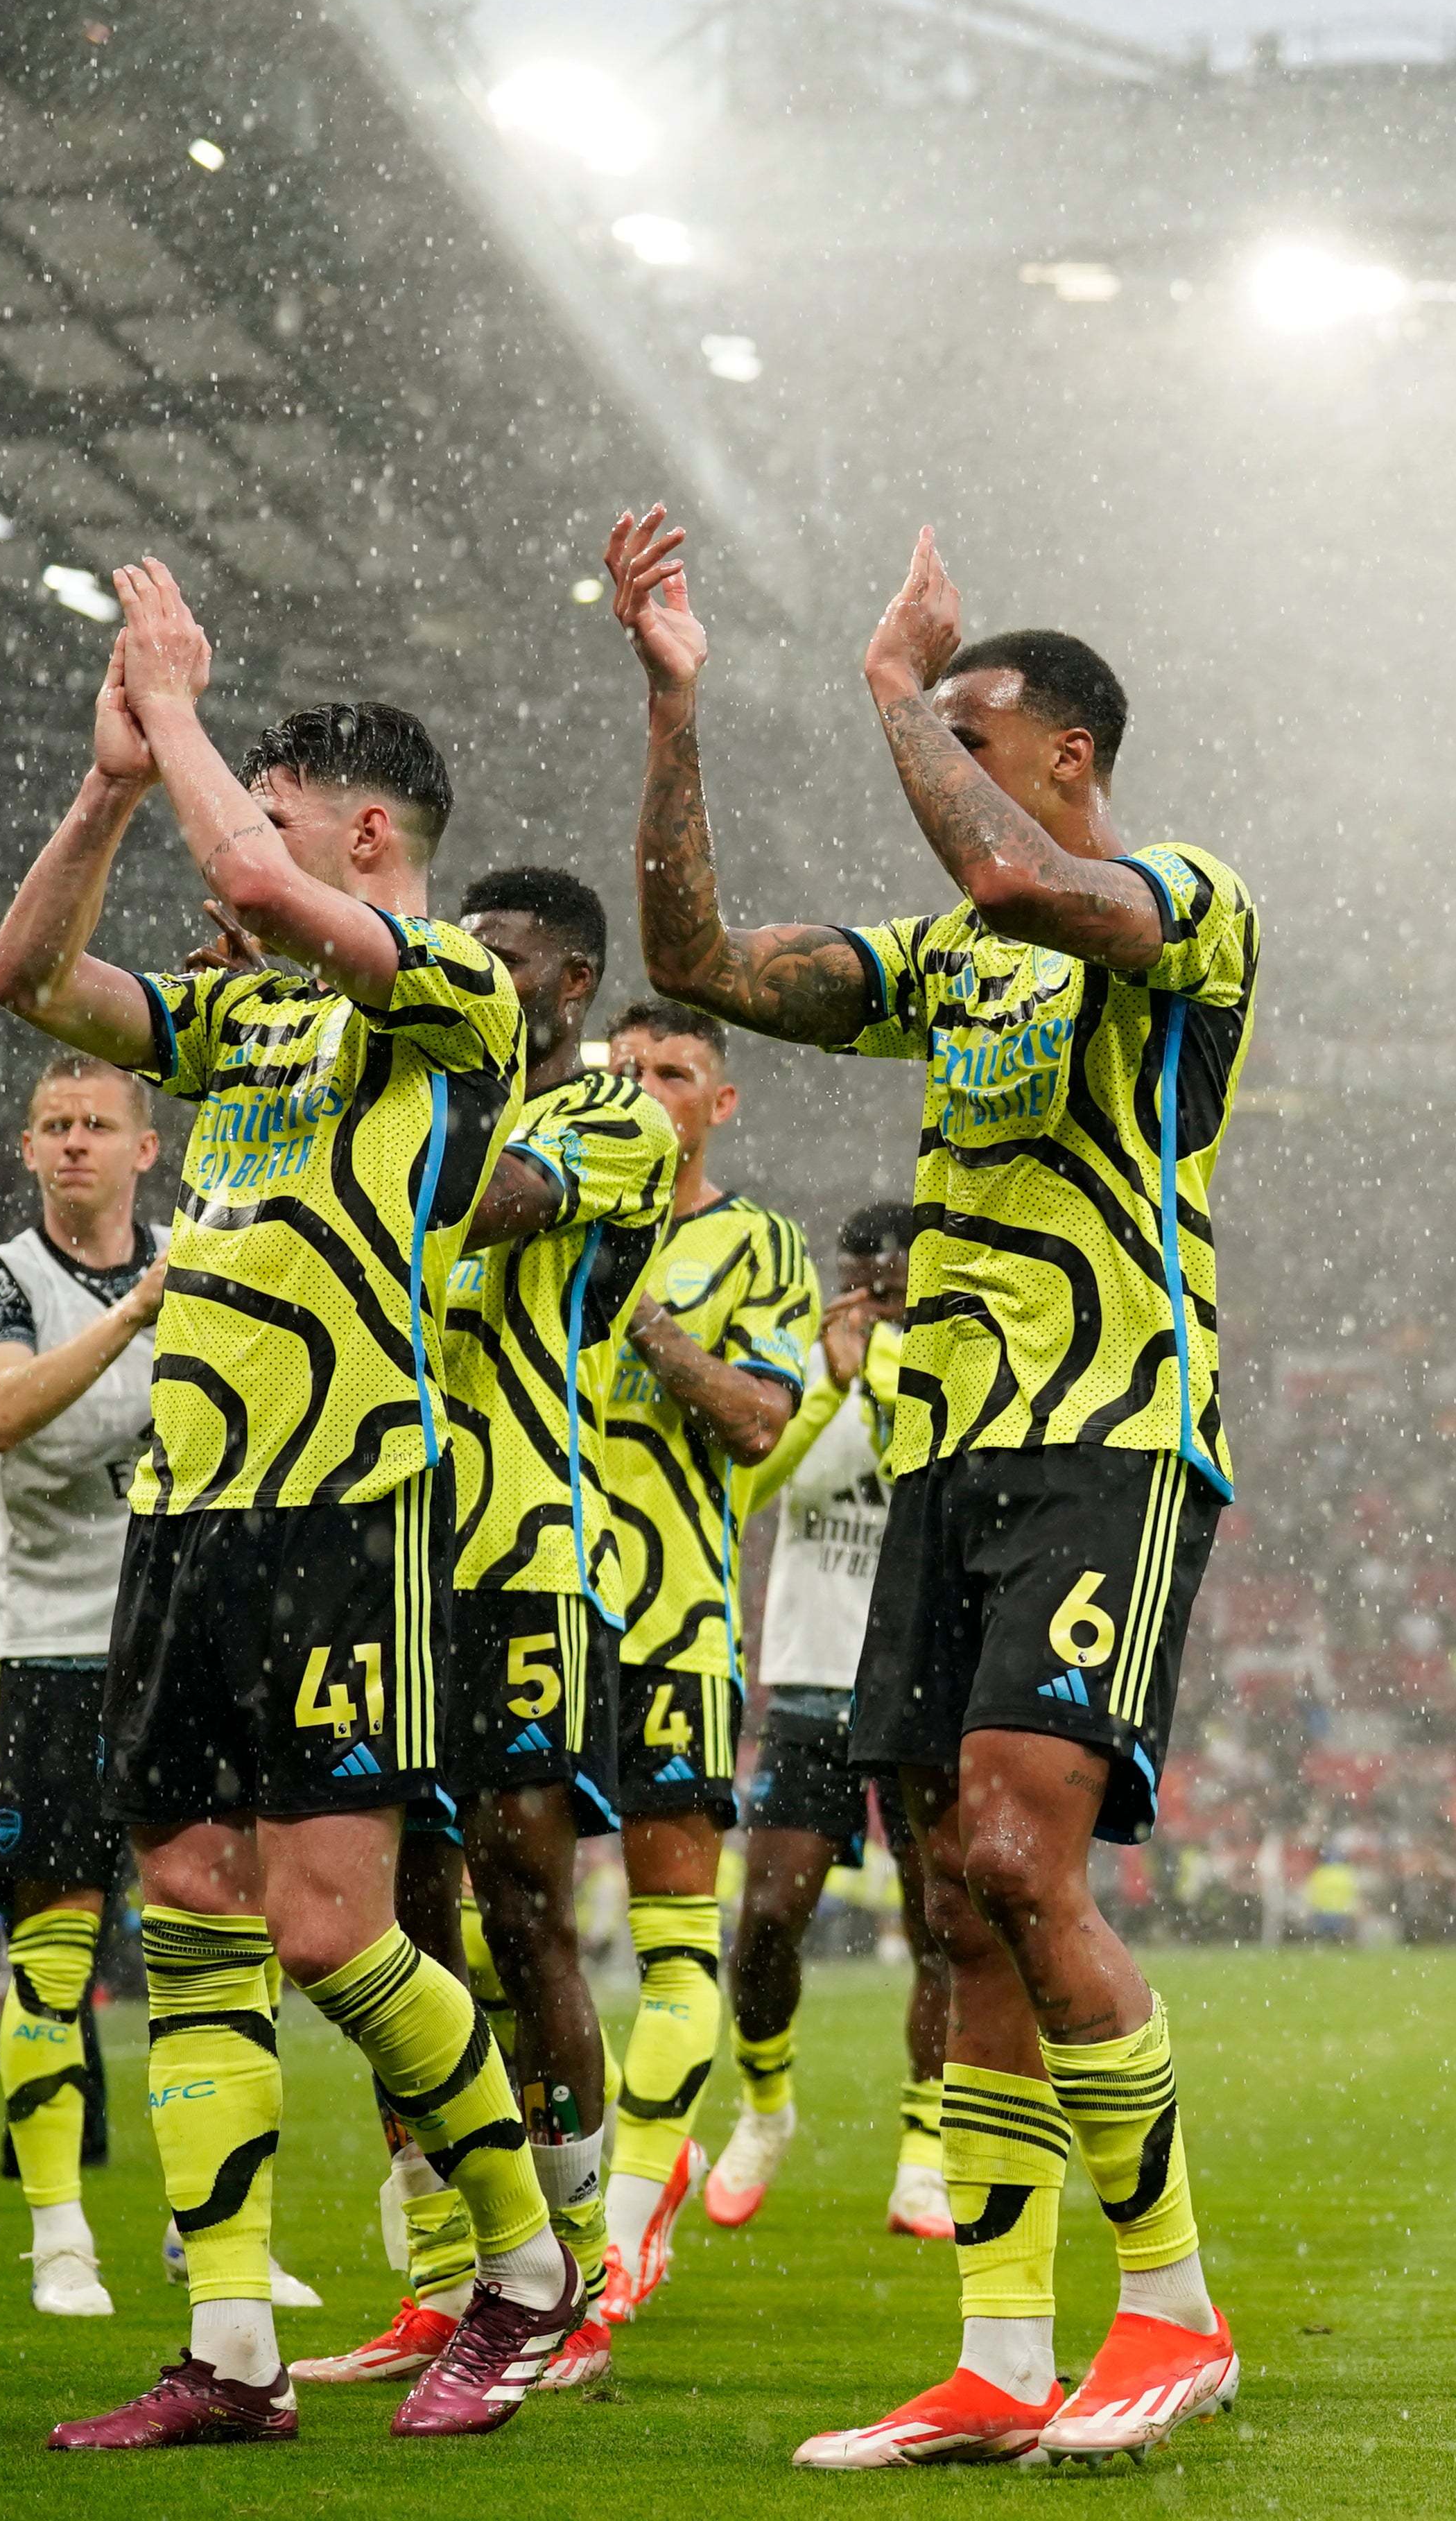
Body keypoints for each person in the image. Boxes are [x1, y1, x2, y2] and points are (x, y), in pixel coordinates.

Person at [609, 508, 1256, 2466]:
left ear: (1066, 752)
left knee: (1017, 1863)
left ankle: (1172, 2319)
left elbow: (1004, 863)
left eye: (974, 741)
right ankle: (996, 2355)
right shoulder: (950, 964)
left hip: (1111, 1433)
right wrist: (676, 714)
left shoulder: (1181, 901)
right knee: (960, 1912)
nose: (937, 783)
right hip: (944, 1460)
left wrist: (896, 687)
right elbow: (695, 960)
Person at [0, 567, 575, 2448]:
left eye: (278, 792)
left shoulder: (451, 991)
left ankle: (526, 2274)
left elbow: (251, 883)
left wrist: (169, 713)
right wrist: (105, 792)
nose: (245, 820)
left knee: (333, 1929)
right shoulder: (244, 1029)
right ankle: (230, 2352)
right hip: (188, 1514)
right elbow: (25, 982)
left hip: (345, 1508)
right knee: (186, 1913)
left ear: (367, 828)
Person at [294, 865, 677, 2394]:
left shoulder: (606, 1123)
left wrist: (342, 1010)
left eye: (499, 961)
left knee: (526, 1908)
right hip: (389, 1547)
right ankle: (446, 2277)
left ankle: (571, 2280)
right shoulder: (411, 1092)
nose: (471, 977)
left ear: (570, 984)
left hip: (523, 1551)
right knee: (403, 1922)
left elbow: (474, 1200)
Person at [0, 1052, 163, 2319]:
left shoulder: (195, 1268)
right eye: (53, 1126)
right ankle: (60, 2237)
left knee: (205, 1953)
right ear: (28, 1151)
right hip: (57, 1651)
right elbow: (3, 1415)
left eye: (96, 1125)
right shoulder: (1, 1280)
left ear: (145, 1149)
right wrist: (133, 1319)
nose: (74, 1143)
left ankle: (209, 2232)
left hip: (177, 1653)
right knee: (53, 1967)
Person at [592, 994, 813, 2321]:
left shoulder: (760, 1245)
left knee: (676, 1949)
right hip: (525, 1609)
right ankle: (502, 2236)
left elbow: (755, 1420)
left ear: (718, 1102)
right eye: (623, 1070)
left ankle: (622, 2227)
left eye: (673, 1071)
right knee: (499, 1938)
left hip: (672, 1622)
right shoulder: (540, 1211)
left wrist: (645, 1324)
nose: (644, 1089)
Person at [704, 1200, 961, 2246]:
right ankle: (766, 2107)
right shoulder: (801, 1367)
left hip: (919, 1679)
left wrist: (887, 1374)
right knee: (768, 1918)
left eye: (890, 1280)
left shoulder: (945, 1370)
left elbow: (930, 1489)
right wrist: (827, 1381)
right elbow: (748, 1492)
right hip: (814, 1679)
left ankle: (926, 2157)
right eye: (858, 1278)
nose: (872, 1297)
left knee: (943, 1924)